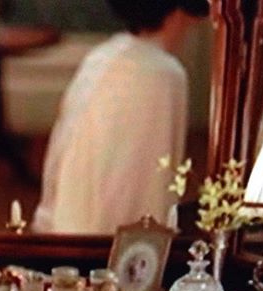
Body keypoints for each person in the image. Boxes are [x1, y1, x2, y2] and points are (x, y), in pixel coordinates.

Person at [32, 0, 209, 235]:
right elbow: (158, 183)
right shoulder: (164, 73)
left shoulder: (102, 55)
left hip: (65, 224)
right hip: (110, 239)